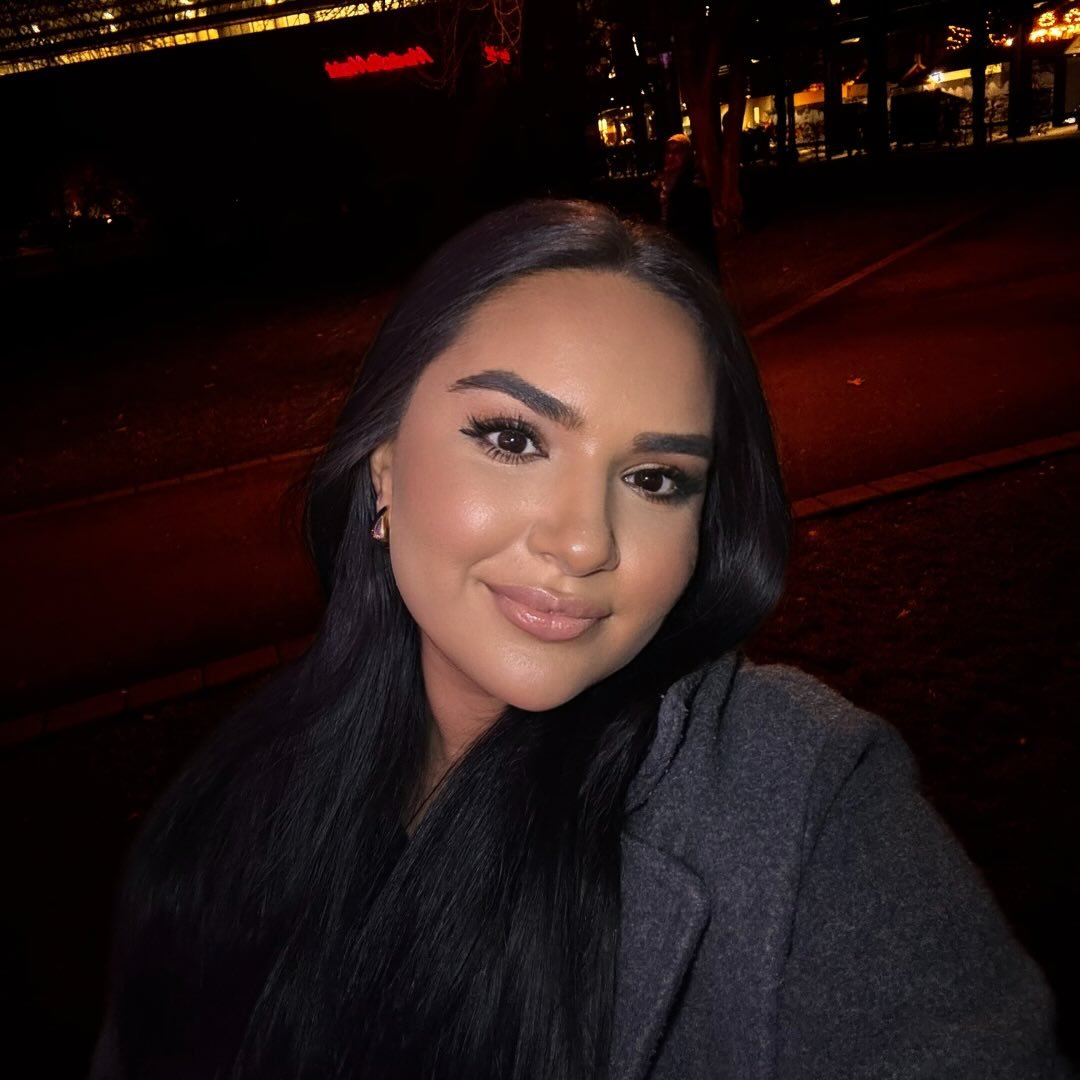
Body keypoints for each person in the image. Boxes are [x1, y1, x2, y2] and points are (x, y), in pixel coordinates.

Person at [91, 200, 1073, 1079]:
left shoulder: (807, 806)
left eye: (654, 479)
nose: (583, 541)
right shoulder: (236, 798)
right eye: (514, 438)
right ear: (383, 466)